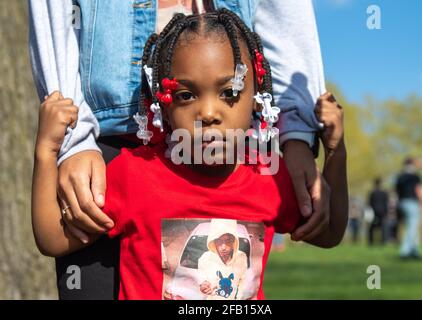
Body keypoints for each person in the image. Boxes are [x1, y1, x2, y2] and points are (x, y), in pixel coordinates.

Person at [32, 10, 348, 299]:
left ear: (256, 97)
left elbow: (329, 233)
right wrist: (47, 152)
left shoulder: (270, 177)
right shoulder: (134, 174)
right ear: (164, 106)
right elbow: (53, 239)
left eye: (229, 92)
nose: (208, 112)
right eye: (186, 94)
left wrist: (336, 152)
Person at [198, 219, 248, 300]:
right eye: (219, 241)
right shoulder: (206, 258)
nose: (223, 247)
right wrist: (203, 285)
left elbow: (243, 283)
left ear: (233, 241)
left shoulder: (241, 257)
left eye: (228, 241)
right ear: (213, 241)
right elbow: (202, 279)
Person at [395, 158, 422, 259]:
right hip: (412, 202)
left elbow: (397, 191)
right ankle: (404, 251)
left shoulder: (400, 177)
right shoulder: (415, 176)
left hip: (402, 203)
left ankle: (414, 251)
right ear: (412, 165)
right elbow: (419, 190)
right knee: (412, 228)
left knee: (411, 227)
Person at [367, 178, 389, 245]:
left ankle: (371, 241)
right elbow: (386, 203)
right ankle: (383, 241)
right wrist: (386, 212)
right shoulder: (384, 193)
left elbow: (369, 203)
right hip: (382, 211)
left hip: (374, 211)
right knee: (383, 226)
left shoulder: (372, 193)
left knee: (372, 227)